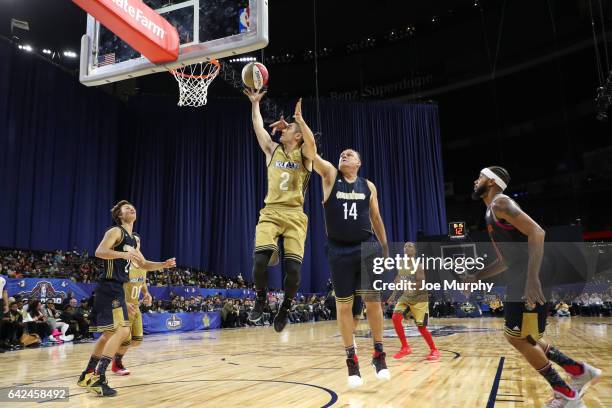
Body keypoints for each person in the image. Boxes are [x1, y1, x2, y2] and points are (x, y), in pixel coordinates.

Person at [471, 166, 601, 408]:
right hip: (520, 274)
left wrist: (532, 278)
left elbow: (537, 232)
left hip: (529, 276)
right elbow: (506, 260)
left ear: (490, 181)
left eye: (479, 177)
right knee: (526, 336)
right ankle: (578, 371)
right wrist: (478, 276)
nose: (474, 181)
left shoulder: (501, 203)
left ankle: (566, 394)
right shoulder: (491, 211)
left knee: (518, 338)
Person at [77, 200, 176, 397]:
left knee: (108, 335)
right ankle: (99, 377)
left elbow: (144, 264)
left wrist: (163, 265)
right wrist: (123, 255)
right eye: (126, 208)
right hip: (109, 286)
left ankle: (87, 374)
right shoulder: (116, 232)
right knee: (122, 332)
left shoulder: (132, 240)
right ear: (120, 215)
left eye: (133, 207)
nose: (131, 209)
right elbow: (100, 252)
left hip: (116, 289)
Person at [312, 148, 390, 387]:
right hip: (338, 249)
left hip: (366, 246)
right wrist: (299, 125)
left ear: (359, 162)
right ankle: (351, 359)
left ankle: (379, 354)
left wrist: (385, 247)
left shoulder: (369, 186)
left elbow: (376, 218)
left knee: (373, 301)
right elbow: (311, 154)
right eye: (342, 154)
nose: (344, 156)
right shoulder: (330, 176)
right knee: (344, 306)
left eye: (349, 154)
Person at [243, 89, 315, 333]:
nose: (282, 129)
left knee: (293, 270)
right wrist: (255, 104)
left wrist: (300, 122)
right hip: (271, 212)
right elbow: (258, 128)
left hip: (295, 215)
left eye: (288, 129)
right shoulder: (273, 150)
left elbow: (311, 144)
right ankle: (261, 299)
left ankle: (286, 307)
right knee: (259, 262)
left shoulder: (305, 156)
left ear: (297, 137)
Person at [388, 242, 439, 361]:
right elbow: (398, 279)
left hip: (419, 298)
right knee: (395, 317)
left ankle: (434, 350)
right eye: (405, 246)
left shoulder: (418, 265)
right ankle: (405, 347)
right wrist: (393, 294)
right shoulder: (400, 264)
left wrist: (405, 283)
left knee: (421, 327)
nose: (407, 247)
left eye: (410, 246)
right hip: (406, 297)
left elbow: (421, 284)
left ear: (415, 251)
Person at [111, 261, 153, 376]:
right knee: (126, 339)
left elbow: (142, 281)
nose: (136, 243)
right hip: (122, 306)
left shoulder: (143, 266)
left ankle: (114, 350)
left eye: (138, 241)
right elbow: (113, 287)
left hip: (135, 306)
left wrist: (146, 293)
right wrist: (123, 302)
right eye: (135, 241)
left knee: (137, 341)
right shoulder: (123, 265)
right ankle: (116, 364)